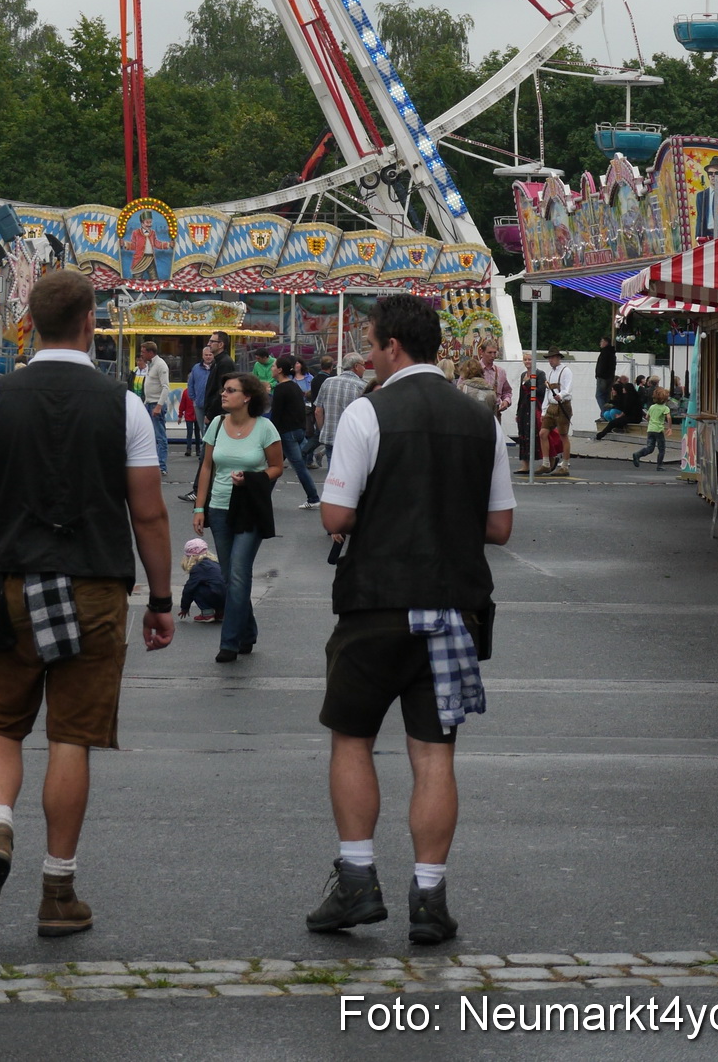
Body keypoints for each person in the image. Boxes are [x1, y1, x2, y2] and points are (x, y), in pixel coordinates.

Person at [0, 269, 172, 939]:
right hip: (94, 584)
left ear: (32, 324)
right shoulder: (123, 405)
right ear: (89, 320)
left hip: (11, 582)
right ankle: (58, 892)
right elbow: (149, 514)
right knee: (71, 738)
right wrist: (161, 598)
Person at [308, 293, 515, 944]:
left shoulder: (367, 413)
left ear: (393, 346)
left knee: (352, 739)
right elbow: (499, 526)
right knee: (433, 755)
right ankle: (429, 896)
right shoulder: (480, 418)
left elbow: (336, 515)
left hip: (375, 602)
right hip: (453, 607)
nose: (368, 356)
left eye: (371, 344)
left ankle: (356, 881)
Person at [192, 374, 283, 663]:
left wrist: (251, 479)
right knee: (231, 578)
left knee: (239, 573)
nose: (224, 393)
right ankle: (248, 632)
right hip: (219, 508)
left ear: (247, 397)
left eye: (231, 390)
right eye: (224, 389)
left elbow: (277, 467)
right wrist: (199, 507)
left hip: (249, 508)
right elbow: (206, 467)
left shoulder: (265, 428)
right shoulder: (217, 425)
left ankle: (229, 643)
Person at [269, 354, 320, 507]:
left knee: (299, 467)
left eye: (274, 366)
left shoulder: (280, 389)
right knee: (275, 465)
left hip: (286, 432)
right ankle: (263, 496)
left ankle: (313, 498)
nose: (272, 368)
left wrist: (271, 433)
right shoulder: (294, 386)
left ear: (280, 370)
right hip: (297, 430)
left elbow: (276, 414)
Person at [179, 344, 214, 501]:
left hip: (211, 406)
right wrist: (193, 398)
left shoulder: (217, 367)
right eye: (206, 355)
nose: (208, 357)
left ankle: (205, 455)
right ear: (202, 355)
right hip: (199, 405)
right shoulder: (196, 368)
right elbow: (191, 384)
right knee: (203, 433)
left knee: (208, 436)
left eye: (210, 355)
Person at [314, 354, 366, 458]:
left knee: (332, 466)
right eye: (363, 365)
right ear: (356, 366)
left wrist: (323, 429)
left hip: (330, 437)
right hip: (352, 440)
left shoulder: (327, 382)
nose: (364, 369)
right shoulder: (362, 386)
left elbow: (318, 412)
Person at [540, 347, 574, 478]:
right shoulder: (549, 373)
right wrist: (544, 410)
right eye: (549, 358)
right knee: (543, 433)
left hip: (563, 406)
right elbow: (547, 392)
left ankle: (565, 466)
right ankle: (546, 463)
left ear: (558, 358)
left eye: (552, 358)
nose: (550, 360)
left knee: (563, 435)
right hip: (551, 406)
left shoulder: (566, 371)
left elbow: (568, 388)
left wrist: (561, 395)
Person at [139, 342, 170, 477]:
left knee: (160, 436)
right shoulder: (151, 365)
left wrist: (159, 406)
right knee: (149, 436)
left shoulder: (160, 365)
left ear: (150, 352)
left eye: (143, 352)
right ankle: (152, 464)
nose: (141, 355)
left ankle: (161, 466)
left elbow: (166, 387)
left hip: (156, 405)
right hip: (149, 403)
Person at [178, 537, 225, 623]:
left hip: (216, 596)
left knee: (195, 588)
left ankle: (207, 614)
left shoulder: (198, 568)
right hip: (227, 598)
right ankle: (221, 613)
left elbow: (189, 589)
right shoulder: (215, 564)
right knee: (215, 586)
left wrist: (184, 607)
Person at [514, 352, 546, 475]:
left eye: (529, 359)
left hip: (535, 407)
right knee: (523, 435)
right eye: (525, 359)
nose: (527, 361)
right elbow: (521, 394)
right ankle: (525, 465)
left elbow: (541, 391)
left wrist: (528, 383)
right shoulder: (523, 375)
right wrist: (517, 412)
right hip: (524, 407)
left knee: (536, 434)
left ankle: (546, 461)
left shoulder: (540, 374)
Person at [201, 331, 235, 428]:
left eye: (212, 341)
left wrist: (210, 414)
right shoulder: (217, 362)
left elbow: (222, 390)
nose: (208, 344)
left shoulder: (225, 363)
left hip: (219, 414)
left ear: (220, 344)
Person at [633, 386, 672, 470]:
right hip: (659, 430)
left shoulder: (652, 407)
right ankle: (659, 465)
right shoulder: (665, 408)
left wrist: (651, 422)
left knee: (650, 448)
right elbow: (668, 417)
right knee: (661, 449)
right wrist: (669, 427)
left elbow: (647, 417)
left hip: (650, 429)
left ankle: (638, 454)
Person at [476, 342, 512, 415]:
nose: (493, 356)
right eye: (489, 353)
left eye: (495, 353)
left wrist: (506, 401)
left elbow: (507, 392)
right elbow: (461, 389)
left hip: (495, 412)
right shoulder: (472, 369)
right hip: (476, 411)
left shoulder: (500, 372)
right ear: (481, 352)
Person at [594, 336, 617, 417]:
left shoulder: (604, 353)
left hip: (603, 377)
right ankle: (606, 413)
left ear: (606, 342)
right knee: (606, 396)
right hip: (610, 378)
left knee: (599, 395)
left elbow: (602, 366)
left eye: (602, 341)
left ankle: (604, 413)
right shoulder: (612, 353)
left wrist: (598, 374)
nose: (600, 343)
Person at [178, 384, 201, 458]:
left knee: (191, 433)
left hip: (192, 415)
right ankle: (197, 450)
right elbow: (182, 404)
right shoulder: (197, 392)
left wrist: (180, 415)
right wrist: (180, 415)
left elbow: (182, 405)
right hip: (195, 415)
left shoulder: (186, 392)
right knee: (195, 433)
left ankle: (190, 449)